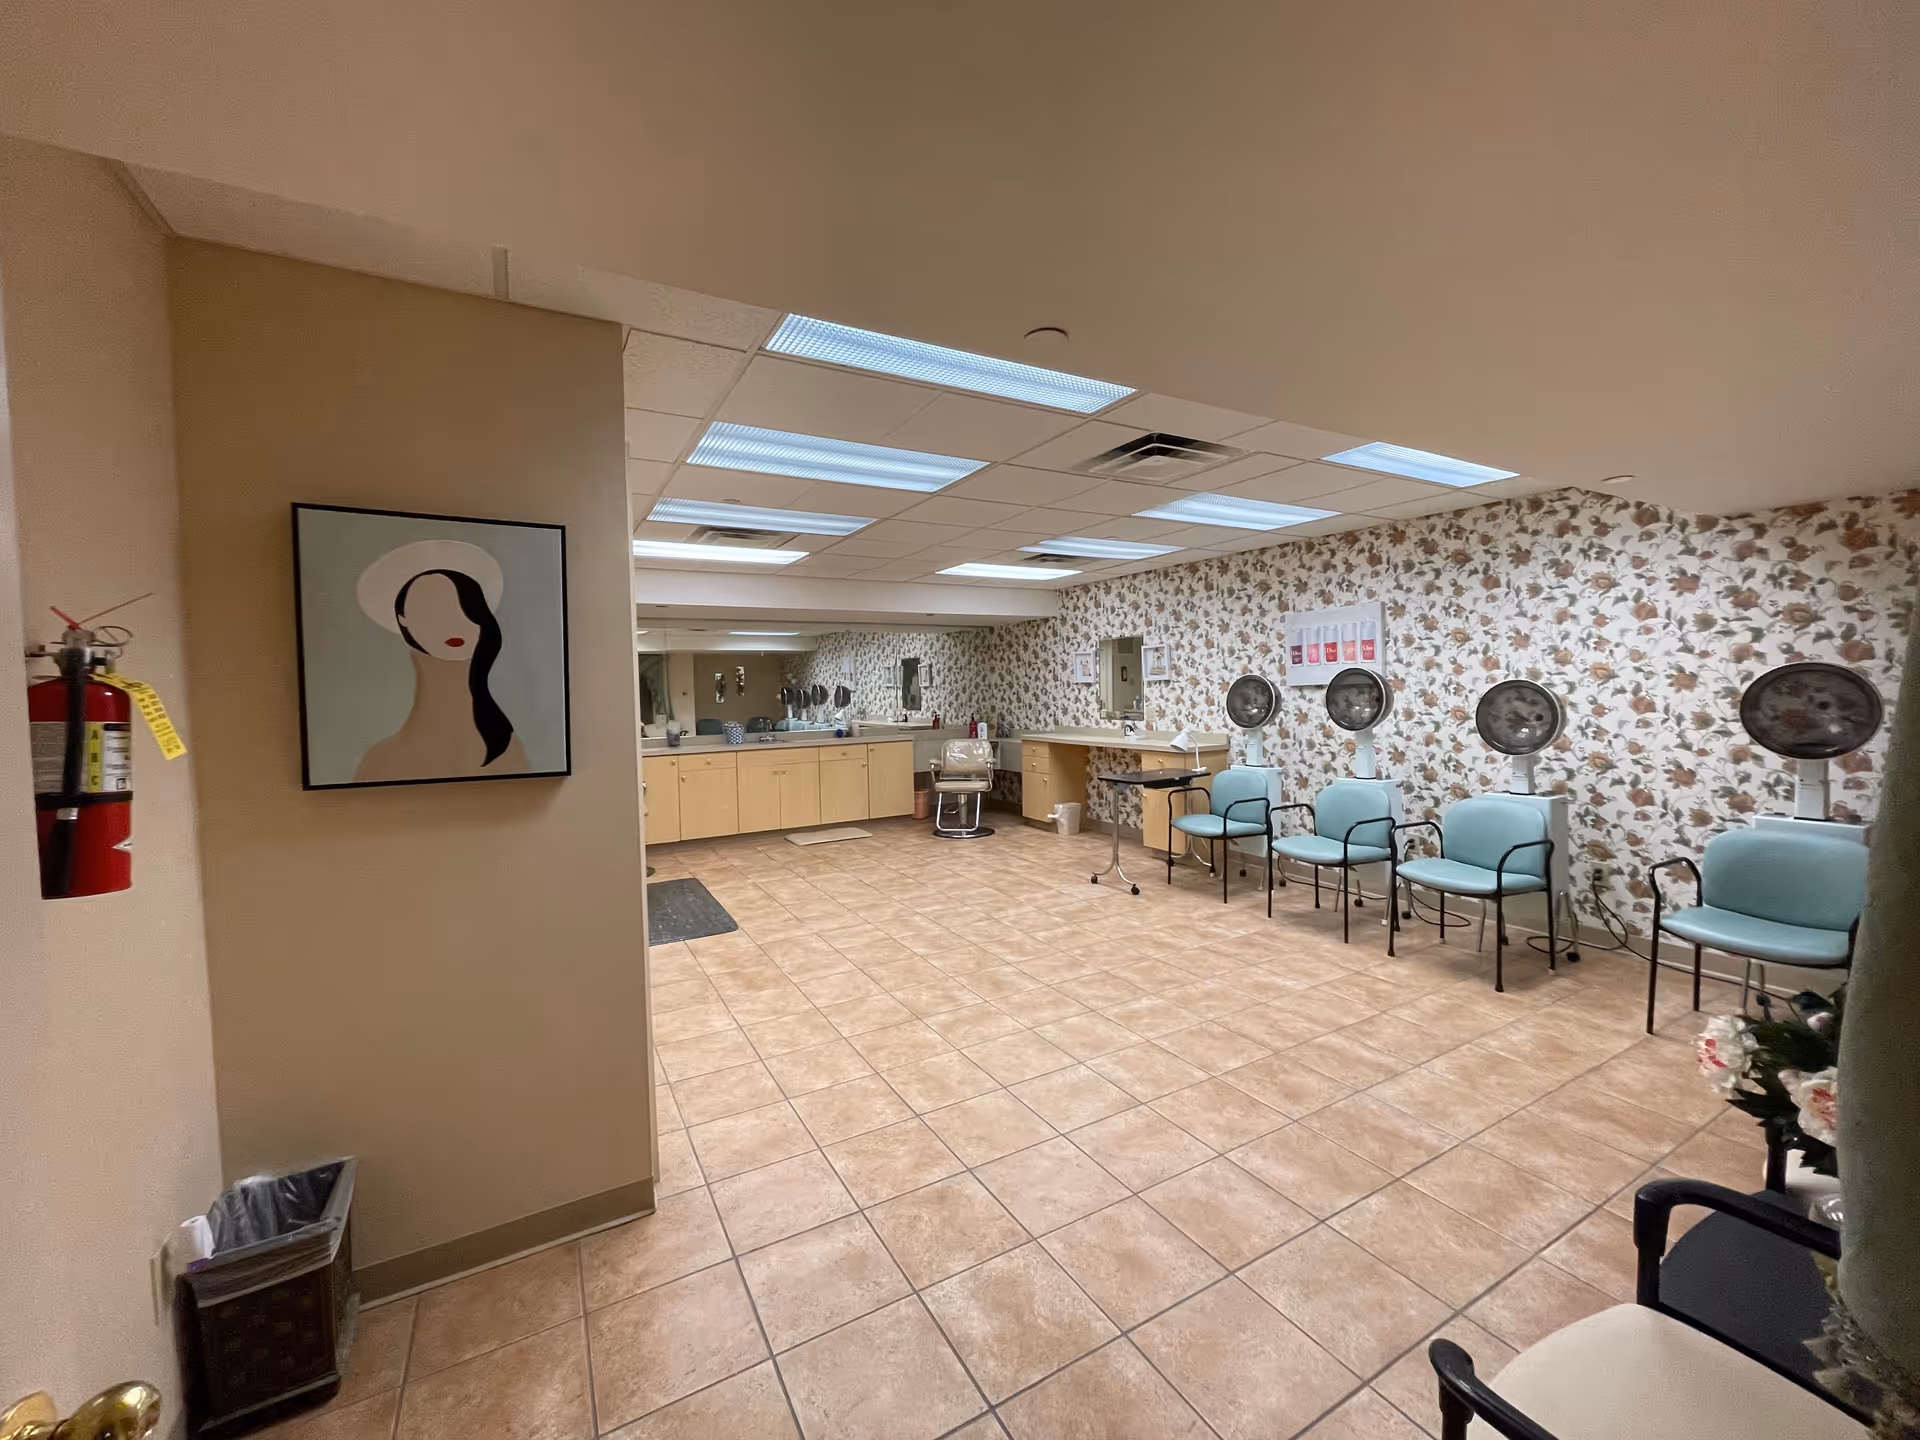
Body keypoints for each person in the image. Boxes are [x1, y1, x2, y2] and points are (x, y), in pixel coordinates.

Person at [353, 543, 528, 782]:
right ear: (403, 620)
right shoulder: (384, 762)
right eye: (432, 609)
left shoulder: (507, 750)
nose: (453, 623)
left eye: (465, 608)